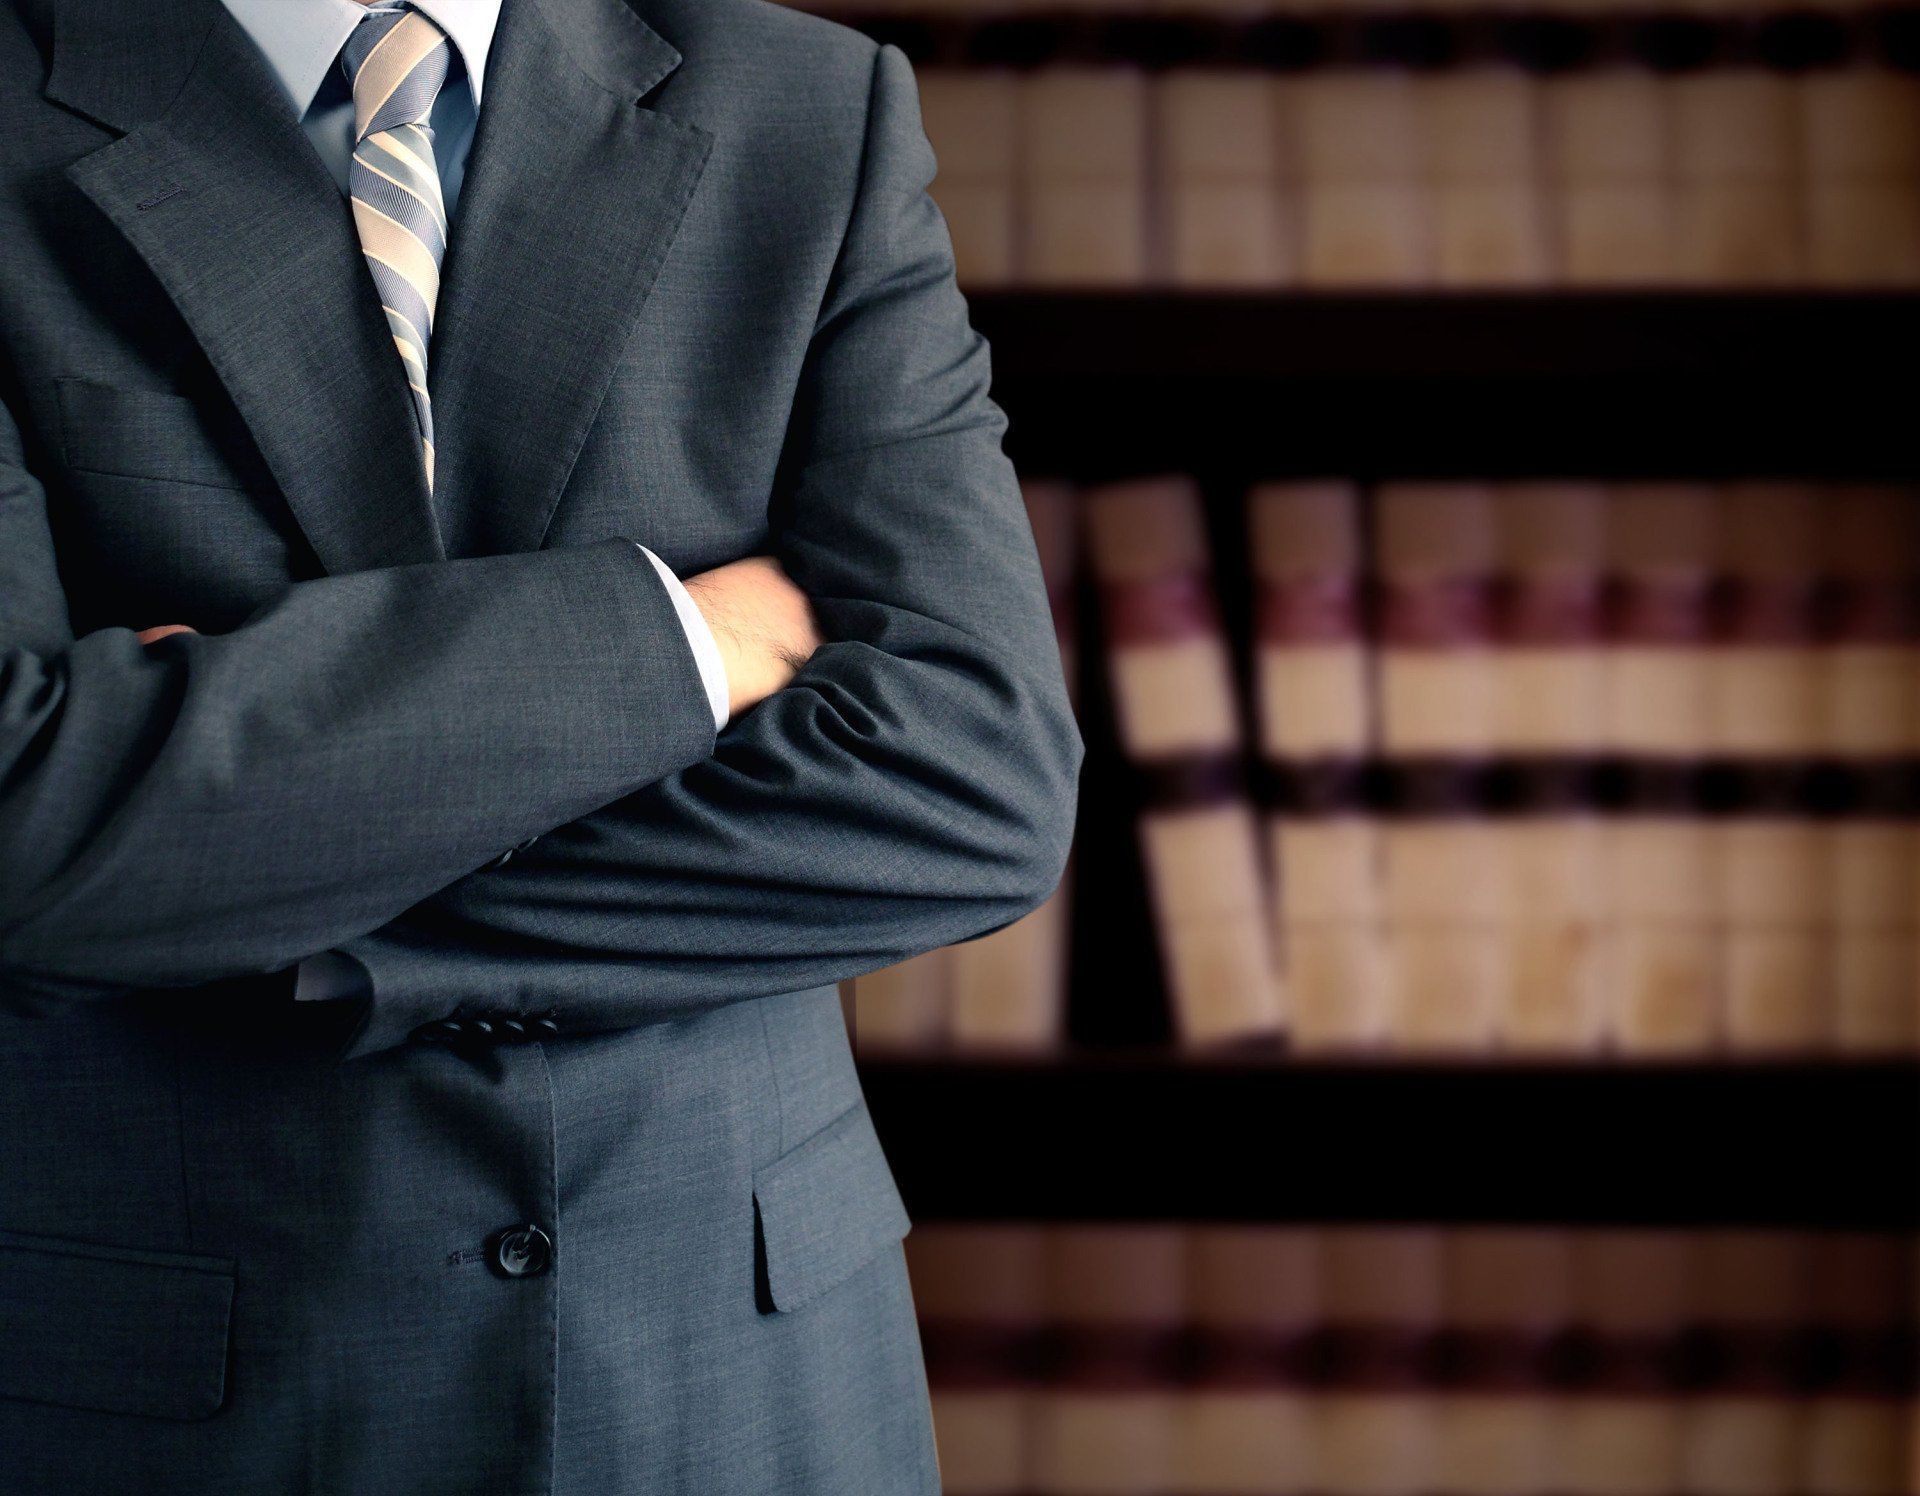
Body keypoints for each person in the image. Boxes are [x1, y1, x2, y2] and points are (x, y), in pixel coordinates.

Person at [0, 0, 1082, 1486]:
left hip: (739, 1380)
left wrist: (268, 874)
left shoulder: (814, 107)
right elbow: (31, 821)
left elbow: (979, 781)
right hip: (177, 1394)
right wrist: (686, 646)